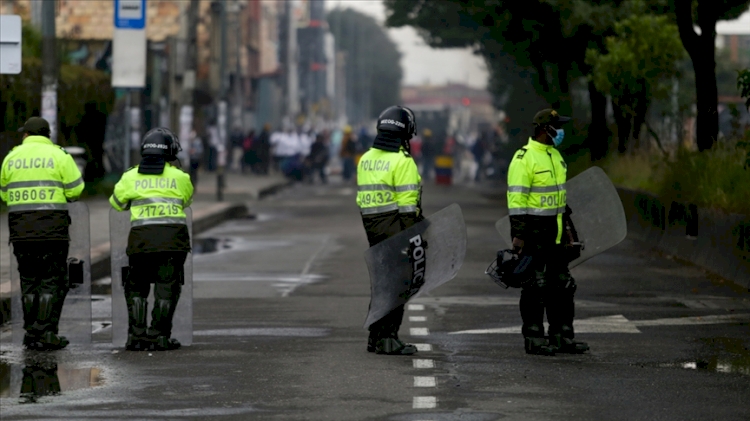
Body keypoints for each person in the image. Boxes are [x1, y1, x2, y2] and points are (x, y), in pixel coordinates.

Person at [506, 109, 589, 356]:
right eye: (557, 126)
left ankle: (562, 336)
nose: (561, 131)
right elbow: (516, 201)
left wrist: (568, 232)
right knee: (535, 285)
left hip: (556, 235)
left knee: (562, 285)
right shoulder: (524, 158)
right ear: (545, 129)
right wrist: (519, 236)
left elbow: (559, 199)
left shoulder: (556, 156)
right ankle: (533, 338)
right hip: (534, 234)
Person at [0, 117, 84, 350]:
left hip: (21, 231)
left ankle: (31, 334)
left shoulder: (11, 157)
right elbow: (76, 189)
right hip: (52, 231)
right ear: (47, 135)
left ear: (26, 134)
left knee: (28, 281)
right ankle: (46, 333)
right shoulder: (60, 156)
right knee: (50, 280)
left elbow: (5, 194)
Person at [109, 128, 193, 351]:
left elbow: (116, 203)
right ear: (170, 153)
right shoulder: (180, 177)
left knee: (136, 288)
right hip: (174, 241)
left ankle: (136, 337)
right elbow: (186, 200)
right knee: (167, 288)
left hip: (141, 242)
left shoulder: (130, 176)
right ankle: (159, 337)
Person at [356, 106, 422, 356]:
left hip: (372, 228)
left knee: (382, 283)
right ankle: (388, 339)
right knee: (398, 284)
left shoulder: (366, 159)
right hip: (396, 228)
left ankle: (375, 336)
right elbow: (407, 207)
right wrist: (414, 238)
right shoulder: (402, 161)